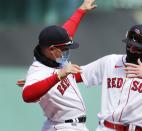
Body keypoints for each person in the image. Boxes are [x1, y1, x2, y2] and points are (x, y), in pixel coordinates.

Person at [74, 24, 142, 131]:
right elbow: (75, 76)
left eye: (137, 49)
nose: (131, 50)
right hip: (107, 127)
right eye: (129, 46)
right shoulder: (110, 61)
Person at [20, 0, 97, 131]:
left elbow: (66, 33)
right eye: (64, 49)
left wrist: (81, 11)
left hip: (72, 125)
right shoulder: (38, 71)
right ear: (51, 49)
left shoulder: (55, 59)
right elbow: (27, 96)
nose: (67, 51)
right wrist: (59, 75)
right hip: (62, 126)